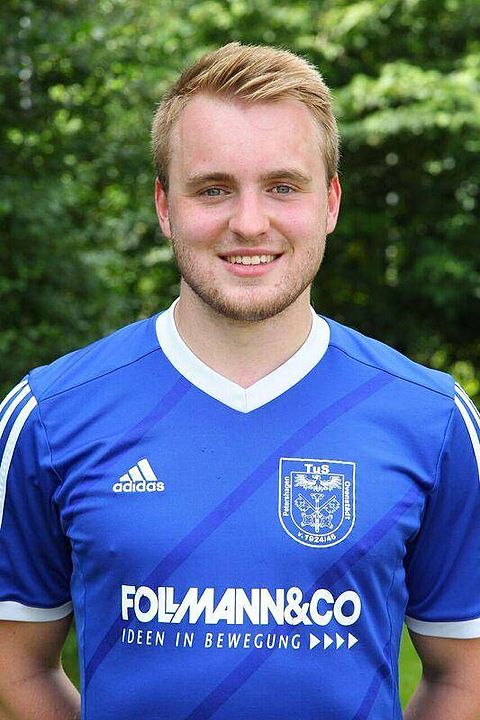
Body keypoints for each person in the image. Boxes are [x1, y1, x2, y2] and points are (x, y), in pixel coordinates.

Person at [0, 42, 479, 720]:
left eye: (283, 186)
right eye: (213, 189)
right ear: (164, 207)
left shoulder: (433, 419)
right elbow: (15, 664)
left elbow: (466, 673)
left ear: (330, 202)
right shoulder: (48, 416)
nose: (249, 223)